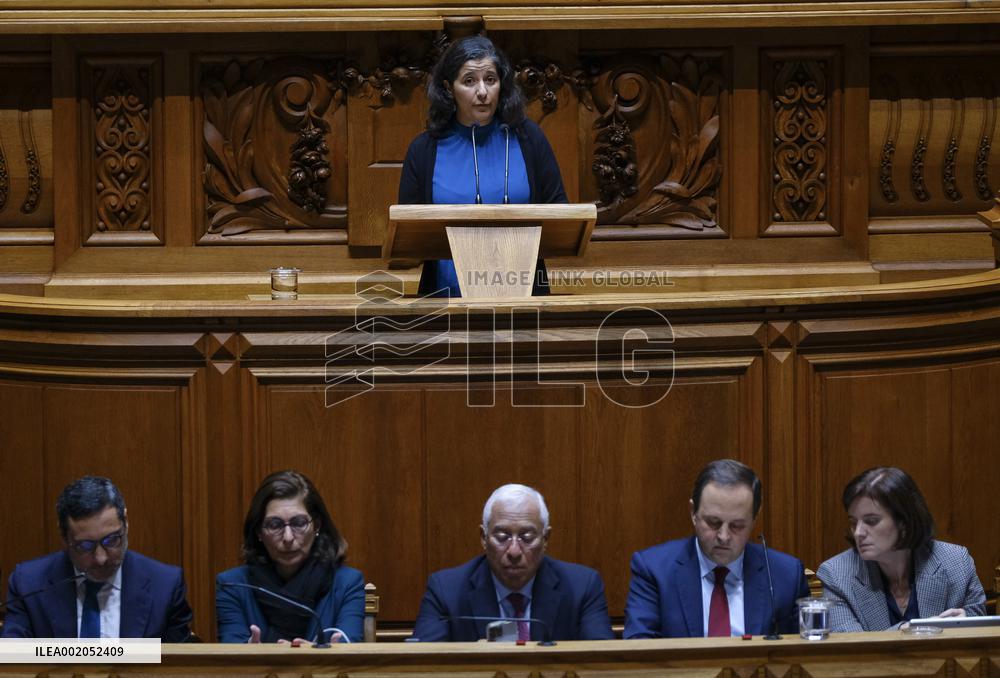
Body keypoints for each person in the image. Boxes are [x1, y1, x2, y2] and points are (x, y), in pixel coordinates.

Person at [398, 35, 568, 298]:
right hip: (446, 304)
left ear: (502, 84)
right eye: (469, 81)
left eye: (490, 79)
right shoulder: (424, 150)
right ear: (448, 88)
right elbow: (408, 237)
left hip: (524, 301)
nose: (482, 92)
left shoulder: (528, 138)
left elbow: (561, 219)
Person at [625, 459, 809, 638]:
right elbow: (639, 653)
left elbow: (805, 656)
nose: (723, 536)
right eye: (713, 523)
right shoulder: (654, 570)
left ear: (754, 519)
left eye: (737, 525)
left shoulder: (786, 576)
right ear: (693, 513)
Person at [411, 483, 613, 641]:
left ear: (545, 539)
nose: (514, 551)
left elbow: (602, 665)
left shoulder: (583, 587)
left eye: (526, 537)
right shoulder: (446, 591)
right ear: (483, 537)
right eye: (502, 536)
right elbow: (421, 667)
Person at [1, 476, 192, 640]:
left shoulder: (165, 586)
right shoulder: (29, 584)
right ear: (64, 536)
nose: (101, 558)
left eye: (111, 540)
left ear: (125, 523)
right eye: (85, 546)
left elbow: (178, 666)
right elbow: (14, 661)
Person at [817, 467, 985, 631]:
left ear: (904, 522)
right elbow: (852, 648)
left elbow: (983, 632)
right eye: (854, 523)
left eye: (871, 521)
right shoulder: (836, 574)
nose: (858, 533)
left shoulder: (956, 562)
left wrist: (966, 625)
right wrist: (912, 629)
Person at [215, 470, 364, 643]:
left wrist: (317, 656)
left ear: (317, 525)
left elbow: (350, 651)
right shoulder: (233, 585)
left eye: (299, 523)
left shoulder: (347, 583)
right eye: (274, 525)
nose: (288, 537)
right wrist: (248, 653)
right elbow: (231, 657)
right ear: (258, 532)